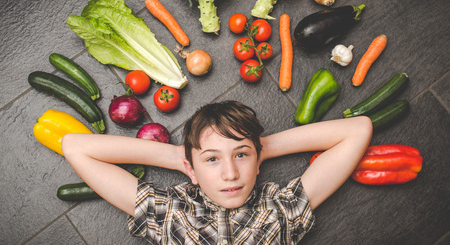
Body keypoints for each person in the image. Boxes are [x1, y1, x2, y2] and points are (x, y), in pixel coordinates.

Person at [62, 100, 372, 244]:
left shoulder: (281, 209)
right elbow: (75, 146)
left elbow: (358, 129)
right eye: (212, 160)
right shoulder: (170, 212)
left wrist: (259, 147)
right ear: (191, 169)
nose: (230, 173)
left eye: (241, 156)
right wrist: (180, 158)